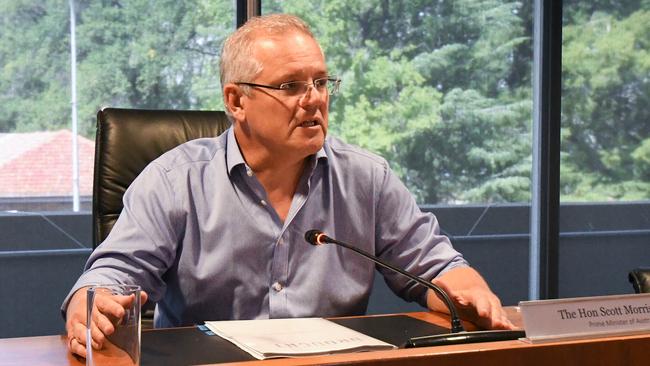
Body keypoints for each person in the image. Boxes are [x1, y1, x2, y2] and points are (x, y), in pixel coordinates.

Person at [63, 13, 514, 358]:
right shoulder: (175, 179)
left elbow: (437, 267)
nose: (314, 99)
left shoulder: (366, 177)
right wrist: (93, 304)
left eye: (321, 82)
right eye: (291, 85)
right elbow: (109, 278)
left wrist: (468, 288)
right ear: (237, 101)